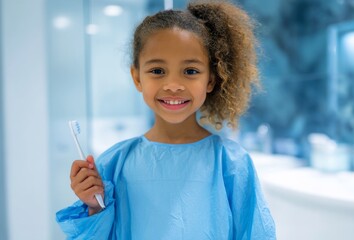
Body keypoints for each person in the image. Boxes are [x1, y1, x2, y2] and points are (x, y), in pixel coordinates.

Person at [56, 0, 276, 239]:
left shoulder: (231, 164)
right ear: (137, 77)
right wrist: (94, 206)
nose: (173, 85)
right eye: (158, 71)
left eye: (190, 71)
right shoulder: (113, 164)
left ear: (211, 80)